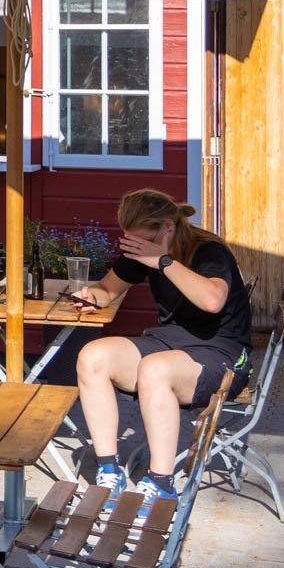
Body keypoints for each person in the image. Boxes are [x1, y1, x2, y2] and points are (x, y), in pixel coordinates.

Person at [69, 189, 252, 510]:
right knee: (92, 357)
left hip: (222, 351)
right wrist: (92, 297)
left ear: (167, 228)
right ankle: (109, 470)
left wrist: (163, 262)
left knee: (154, 369)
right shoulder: (144, 250)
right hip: (170, 341)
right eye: (130, 240)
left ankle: (162, 484)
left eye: (142, 241)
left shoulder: (208, 251)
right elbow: (108, 289)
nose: (135, 248)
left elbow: (212, 301)